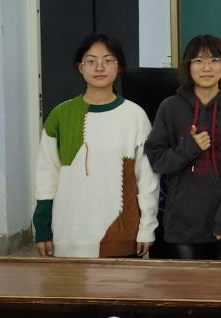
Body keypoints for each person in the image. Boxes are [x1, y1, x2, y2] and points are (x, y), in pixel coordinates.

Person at [33, 33, 159, 258]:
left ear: (119, 67)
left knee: (122, 282)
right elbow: (46, 176)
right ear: (80, 67)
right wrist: (42, 227)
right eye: (91, 61)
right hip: (69, 235)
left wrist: (147, 227)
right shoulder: (61, 116)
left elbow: (147, 179)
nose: (99, 67)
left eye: (108, 60)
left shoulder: (135, 116)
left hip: (121, 235)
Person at [145, 34, 221, 260]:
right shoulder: (170, 108)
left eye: (214, 60)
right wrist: (189, 147)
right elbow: (157, 161)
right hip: (183, 222)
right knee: (188, 283)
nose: (206, 68)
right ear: (188, 66)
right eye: (198, 61)